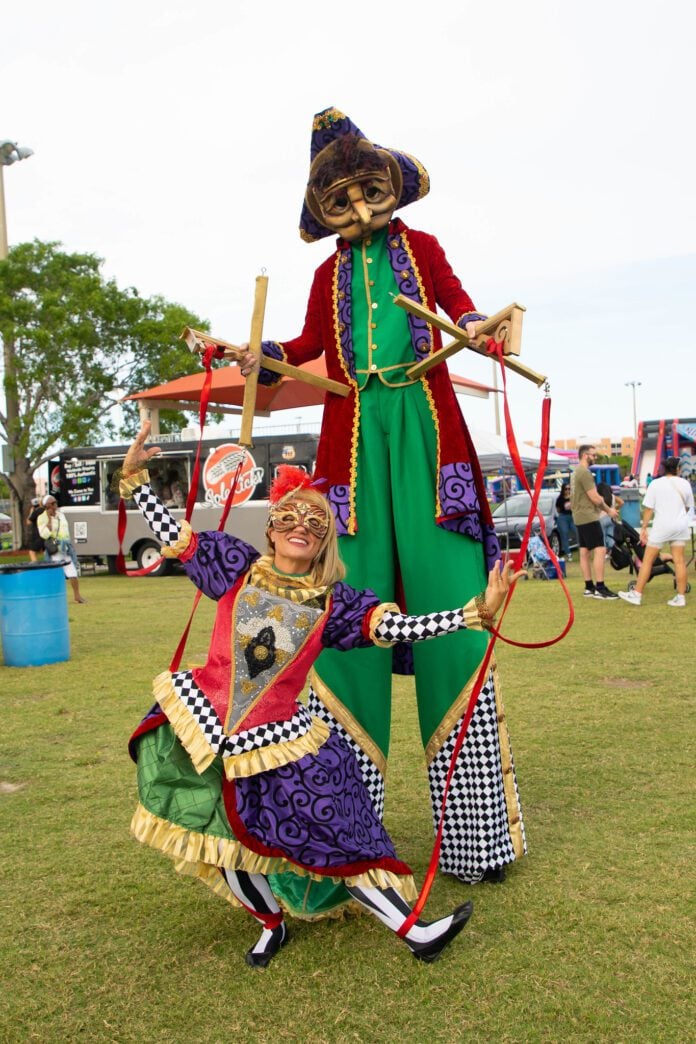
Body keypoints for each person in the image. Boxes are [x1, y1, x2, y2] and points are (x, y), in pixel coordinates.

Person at [237, 108, 526, 918]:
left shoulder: (420, 249)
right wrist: (261, 360)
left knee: (455, 624)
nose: (360, 206)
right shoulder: (328, 274)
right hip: (354, 441)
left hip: (426, 439)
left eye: (370, 189)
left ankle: (475, 840)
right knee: (345, 631)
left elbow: (462, 310)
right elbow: (302, 348)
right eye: (342, 195)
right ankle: (338, 838)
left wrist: (478, 328)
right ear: (324, 207)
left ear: (391, 189)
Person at [122, 423, 523, 968]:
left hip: (279, 740)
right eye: (289, 517)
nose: (300, 527)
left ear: (324, 539)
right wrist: (136, 480)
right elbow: (176, 536)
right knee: (224, 837)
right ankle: (270, 925)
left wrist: (473, 612)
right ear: (270, 527)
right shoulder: (235, 567)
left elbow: (399, 629)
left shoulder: (337, 602)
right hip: (204, 724)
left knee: (340, 828)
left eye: (315, 522)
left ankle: (415, 932)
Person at [618, 457, 694, 607]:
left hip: (662, 525)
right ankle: (680, 597)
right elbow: (687, 506)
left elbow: (648, 509)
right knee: (679, 561)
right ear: (677, 469)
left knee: (648, 560)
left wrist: (644, 528)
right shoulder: (685, 484)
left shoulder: (655, 484)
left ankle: (637, 594)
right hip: (680, 525)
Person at [570, 446, 620, 599]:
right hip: (588, 516)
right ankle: (600, 587)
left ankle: (589, 587)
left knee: (584, 552)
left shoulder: (575, 472)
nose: (595, 458)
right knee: (600, 549)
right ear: (585, 455)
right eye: (594, 455)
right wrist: (609, 510)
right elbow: (595, 497)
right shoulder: (584, 473)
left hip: (578, 516)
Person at [36, 495, 86, 603]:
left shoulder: (61, 515)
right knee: (54, 574)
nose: (55, 505)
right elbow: (44, 534)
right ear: (47, 506)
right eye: (53, 503)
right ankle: (52, 597)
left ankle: (77, 596)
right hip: (55, 549)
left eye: (55, 502)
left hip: (65, 547)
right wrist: (49, 519)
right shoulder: (41, 518)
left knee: (72, 572)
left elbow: (65, 530)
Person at [596, 481, 624, 553]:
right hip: (612, 518)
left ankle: (603, 553)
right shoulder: (613, 496)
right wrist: (615, 509)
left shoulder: (599, 498)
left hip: (601, 518)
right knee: (610, 537)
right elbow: (622, 502)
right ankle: (612, 552)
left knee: (602, 537)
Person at [554, 483, 576, 560]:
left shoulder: (573, 498)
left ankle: (583, 550)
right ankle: (568, 553)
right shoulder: (560, 499)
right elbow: (558, 509)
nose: (567, 491)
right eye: (566, 489)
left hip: (572, 516)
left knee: (577, 532)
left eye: (569, 489)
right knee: (565, 534)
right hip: (563, 516)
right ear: (563, 490)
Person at [26, 497, 45, 562]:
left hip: (37, 535)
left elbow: (28, 522)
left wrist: (31, 512)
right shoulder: (44, 510)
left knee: (32, 552)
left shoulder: (35, 512)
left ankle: (35, 564)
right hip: (46, 533)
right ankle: (48, 563)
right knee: (45, 550)